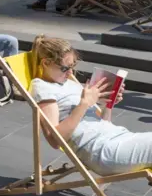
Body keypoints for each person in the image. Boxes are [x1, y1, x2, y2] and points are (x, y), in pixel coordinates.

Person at [27, 35, 152, 176]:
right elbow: (56, 141)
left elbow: (102, 124)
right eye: (64, 68)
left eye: (73, 66)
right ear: (46, 63)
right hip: (102, 150)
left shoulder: (70, 83)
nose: (70, 73)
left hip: (118, 137)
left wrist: (108, 104)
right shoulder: (43, 88)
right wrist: (84, 104)